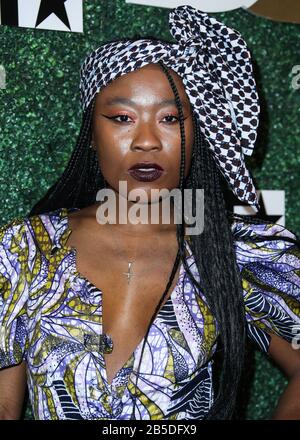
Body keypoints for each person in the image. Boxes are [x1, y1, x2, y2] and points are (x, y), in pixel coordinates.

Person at [0, 5, 300, 421]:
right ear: (91, 133)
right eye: (122, 118)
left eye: (170, 118)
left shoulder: (238, 252)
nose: (146, 140)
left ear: (199, 133)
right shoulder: (24, 250)